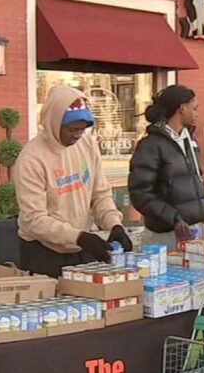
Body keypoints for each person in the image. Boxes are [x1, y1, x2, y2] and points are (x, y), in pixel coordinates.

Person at [14, 85, 133, 278]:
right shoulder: (32, 159)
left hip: (80, 245)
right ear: (55, 123)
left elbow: (100, 193)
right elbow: (34, 219)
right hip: (44, 251)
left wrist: (114, 223)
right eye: (72, 129)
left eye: (82, 130)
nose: (77, 135)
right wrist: (78, 237)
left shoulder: (87, 145)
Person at [128, 85, 204, 249]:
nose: (197, 113)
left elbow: (197, 182)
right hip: (167, 234)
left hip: (197, 230)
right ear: (182, 108)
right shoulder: (151, 145)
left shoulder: (190, 141)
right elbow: (140, 193)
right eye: (194, 108)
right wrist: (173, 218)